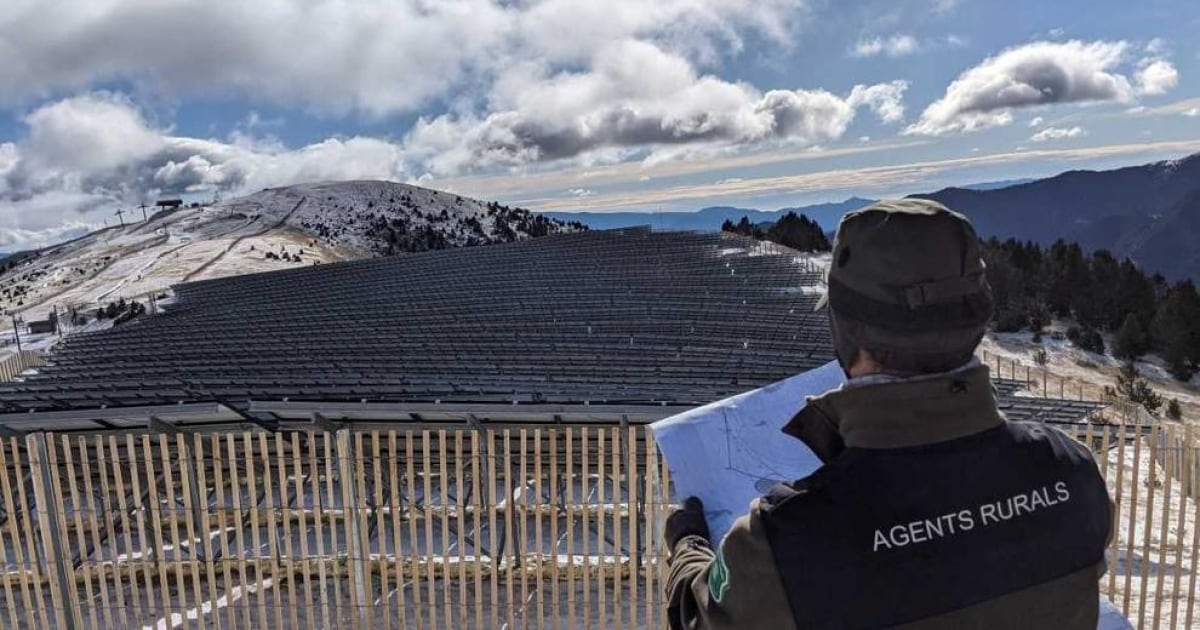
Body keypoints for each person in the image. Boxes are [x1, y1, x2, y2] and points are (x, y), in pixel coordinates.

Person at [663, 199, 1113, 629]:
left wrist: (688, 544)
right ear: (977, 318)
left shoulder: (786, 540)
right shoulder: (1071, 471)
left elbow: (696, 618)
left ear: (844, 329)